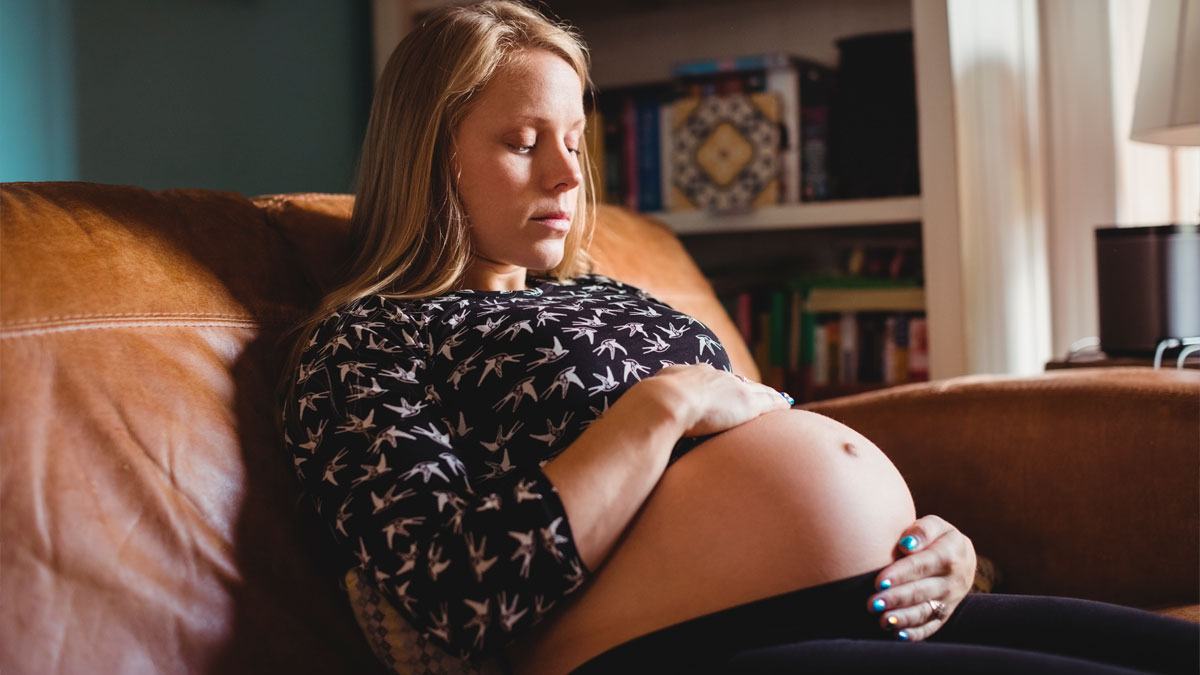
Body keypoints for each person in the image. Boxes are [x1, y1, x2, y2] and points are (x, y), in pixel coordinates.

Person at [279, 2, 1198, 674]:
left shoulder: (613, 297)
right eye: (524, 141)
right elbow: (455, 591)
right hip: (707, 645)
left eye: (573, 137)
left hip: (873, 605)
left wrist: (949, 553)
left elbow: (773, 452)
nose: (568, 172)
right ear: (431, 157)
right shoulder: (365, 344)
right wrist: (663, 404)